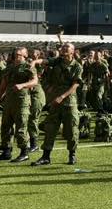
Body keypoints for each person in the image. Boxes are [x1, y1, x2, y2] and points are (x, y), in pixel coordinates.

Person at [33, 38, 83, 167]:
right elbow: (46, 61)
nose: (64, 49)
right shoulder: (57, 61)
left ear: (72, 52)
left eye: (67, 48)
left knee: (72, 129)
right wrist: (36, 61)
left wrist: (62, 96)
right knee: (50, 128)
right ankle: (46, 157)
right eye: (63, 48)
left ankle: (72, 154)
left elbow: (75, 85)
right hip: (55, 101)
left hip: (69, 101)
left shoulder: (77, 66)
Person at [0, 47, 38, 163]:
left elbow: (35, 81)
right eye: (15, 54)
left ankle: (24, 152)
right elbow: (3, 85)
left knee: (21, 126)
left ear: (25, 56)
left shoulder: (28, 67)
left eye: (19, 55)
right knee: (6, 126)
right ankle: (6, 151)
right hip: (9, 100)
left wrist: (23, 85)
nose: (16, 57)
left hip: (22, 100)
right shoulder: (9, 68)